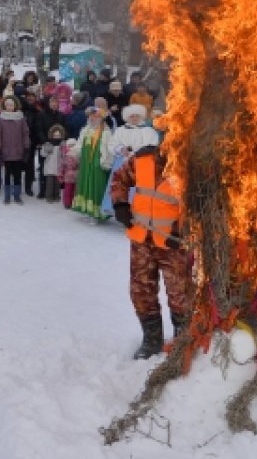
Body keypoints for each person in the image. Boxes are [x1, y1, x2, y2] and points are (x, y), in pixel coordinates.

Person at [111, 146, 193, 359]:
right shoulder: (142, 159)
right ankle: (152, 340)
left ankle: (182, 340)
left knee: (180, 294)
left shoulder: (189, 164)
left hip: (173, 244)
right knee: (141, 291)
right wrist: (120, 204)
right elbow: (119, 178)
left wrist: (186, 227)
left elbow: (201, 202)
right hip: (141, 240)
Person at [71, 106, 112, 220]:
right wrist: (74, 151)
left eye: (95, 117)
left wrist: (105, 160)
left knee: (96, 184)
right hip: (85, 162)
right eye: (91, 117)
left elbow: (108, 149)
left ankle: (97, 213)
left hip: (97, 162)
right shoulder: (85, 130)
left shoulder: (106, 132)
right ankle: (86, 209)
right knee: (85, 183)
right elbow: (80, 143)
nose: (93, 119)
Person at [0, 95, 30, 205]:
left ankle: (17, 195)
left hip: (18, 150)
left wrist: (26, 145)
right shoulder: (1, 119)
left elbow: (25, 133)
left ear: (15, 105)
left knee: (17, 174)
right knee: (7, 174)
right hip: (6, 151)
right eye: (8, 105)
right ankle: (7, 196)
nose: (10, 107)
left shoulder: (20, 118)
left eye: (11, 105)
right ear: (5, 106)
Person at [40, 124, 66, 203]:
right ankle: (49, 196)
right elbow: (42, 154)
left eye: (58, 135)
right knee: (50, 184)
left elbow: (64, 155)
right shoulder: (48, 144)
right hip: (50, 167)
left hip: (58, 167)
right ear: (52, 135)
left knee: (57, 184)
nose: (56, 137)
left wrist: (64, 150)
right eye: (55, 135)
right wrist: (46, 150)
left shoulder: (62, 145)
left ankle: (56, 195)